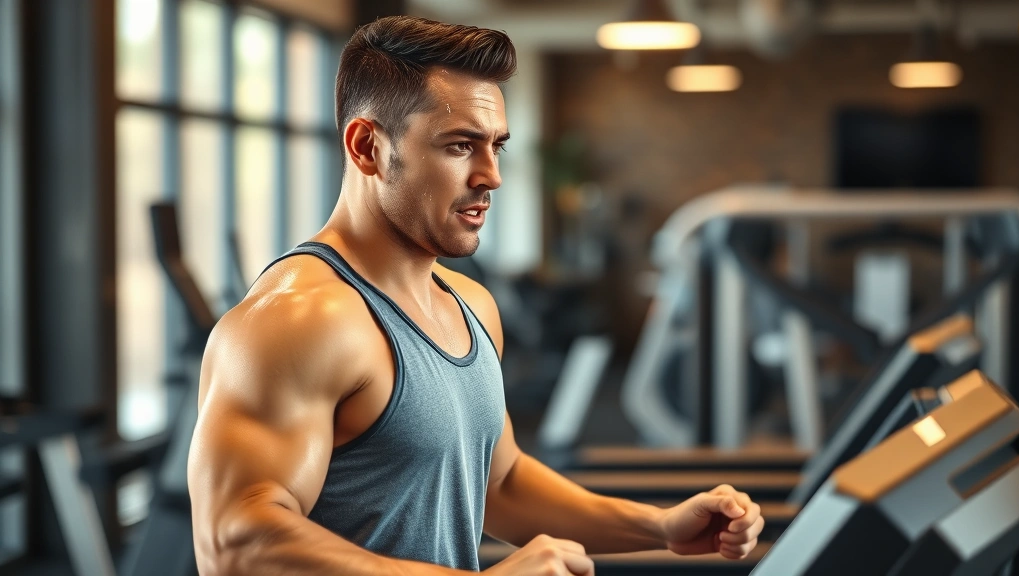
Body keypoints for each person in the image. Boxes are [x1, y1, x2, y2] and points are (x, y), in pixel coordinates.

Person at [188, 15, 763, 576]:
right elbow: (237, 544)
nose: (492, 175)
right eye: (461, 146)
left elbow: (500, 482)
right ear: (366, 147)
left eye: (497, 147)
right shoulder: (302, 319)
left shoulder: (470, 306)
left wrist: (658, 527)